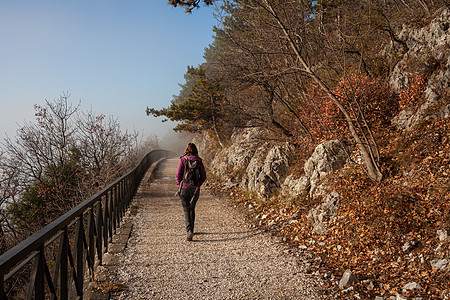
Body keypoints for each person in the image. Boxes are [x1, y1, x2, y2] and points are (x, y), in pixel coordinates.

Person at [176, 143, 207, 241]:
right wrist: (198, 184)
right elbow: (203, 176)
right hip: (195, 189)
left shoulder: (183, 160)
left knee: (186, 209)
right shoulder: (199, 161)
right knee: (192, 208)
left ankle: (189, 230)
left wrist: (179, 184)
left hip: (184, 188)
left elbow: (178, 174)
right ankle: (192, 229)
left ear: (186, 150)